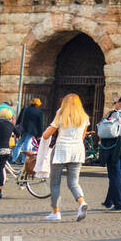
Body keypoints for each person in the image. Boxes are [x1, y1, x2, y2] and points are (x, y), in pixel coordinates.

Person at [42, 93, 90, 222]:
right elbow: (82, 136)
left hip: (61, 150)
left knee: (55, 182)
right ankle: (81, 202)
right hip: (77, 150)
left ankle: (55, 212)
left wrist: (44, 135)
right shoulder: (84, 116)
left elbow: (48, 134)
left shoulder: (61, 113)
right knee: (73, 182)